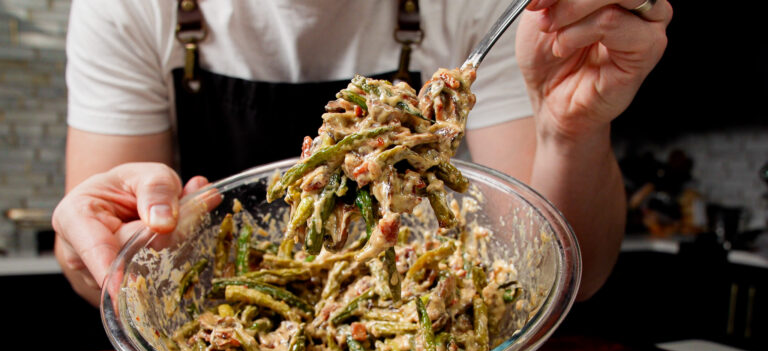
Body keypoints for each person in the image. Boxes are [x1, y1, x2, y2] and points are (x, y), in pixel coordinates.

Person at [52, 0, 673, 307]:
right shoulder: (127, 7)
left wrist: (568, 132)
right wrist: (112, 239)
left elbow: (561, 271)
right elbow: (100, 259)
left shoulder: (494, 9)